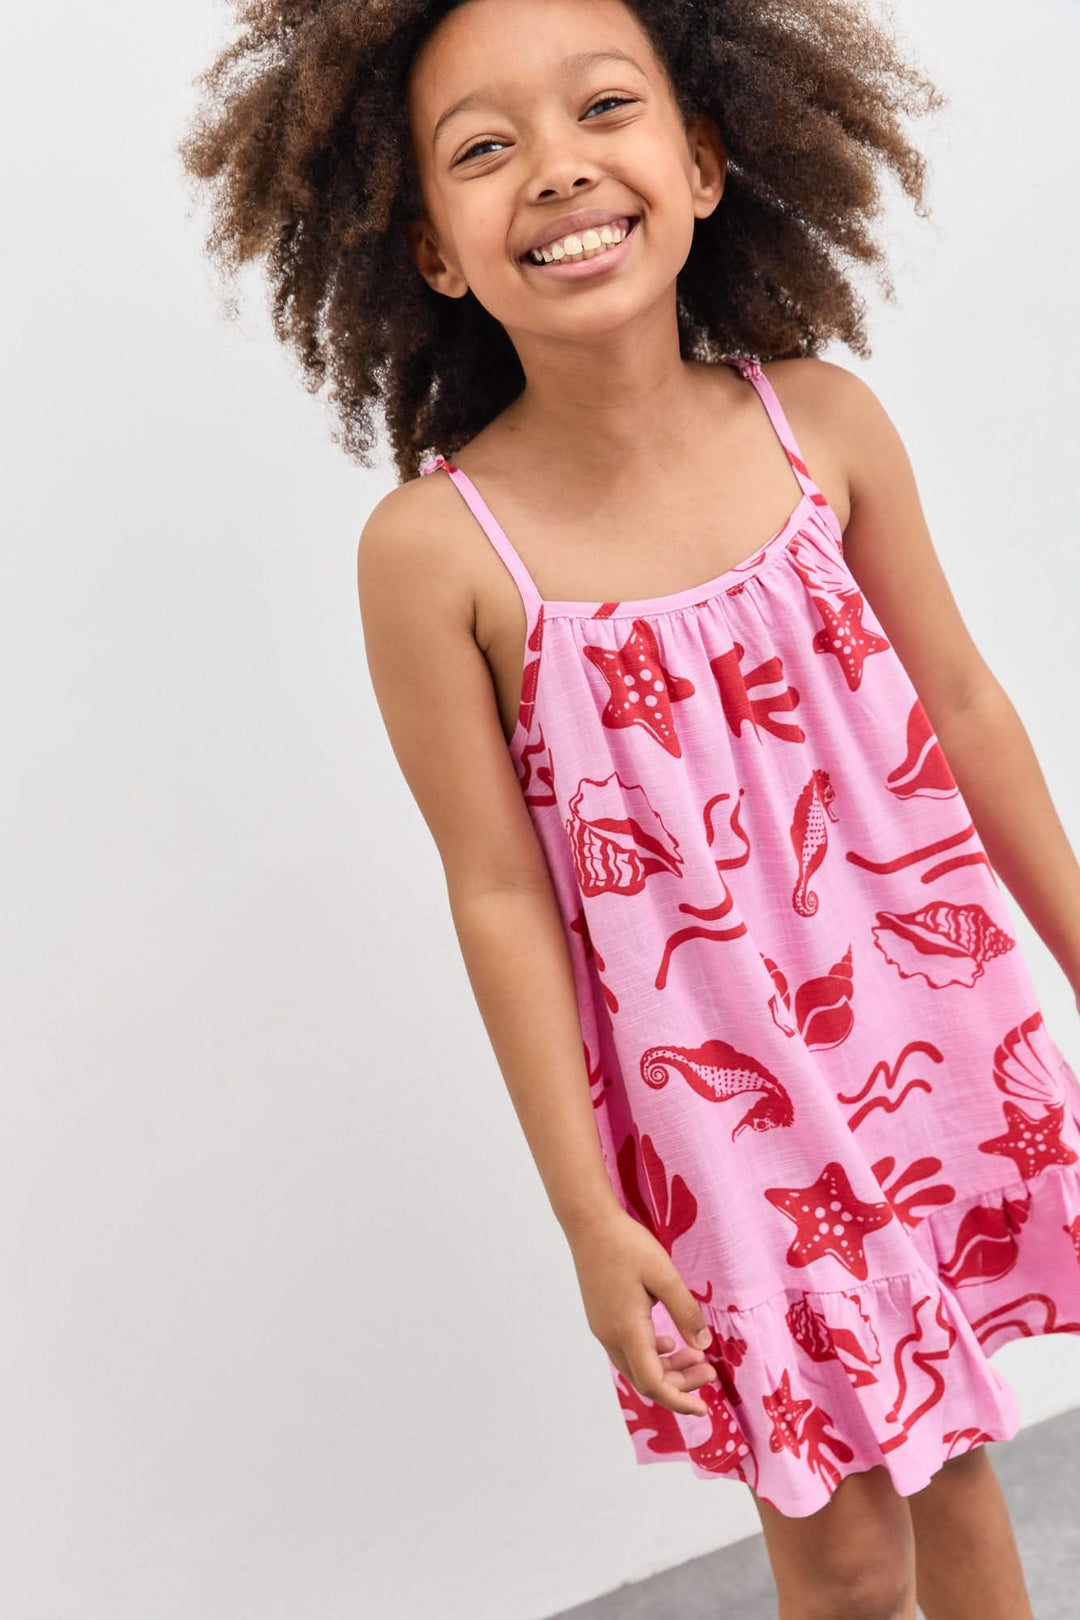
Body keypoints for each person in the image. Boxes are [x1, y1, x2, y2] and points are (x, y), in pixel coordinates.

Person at [179, 0, 1080, 1612]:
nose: (556, 168)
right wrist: (587, 1215)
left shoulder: (824, 427)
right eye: (483, 148)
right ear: (431, 251)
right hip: (711, 1113)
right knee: (844, 1549)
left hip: (914, 1031)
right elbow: (499, 891)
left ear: (707, 162)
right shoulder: (437, 557)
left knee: (952, 1465)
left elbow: (961, 705)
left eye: (604, 108)